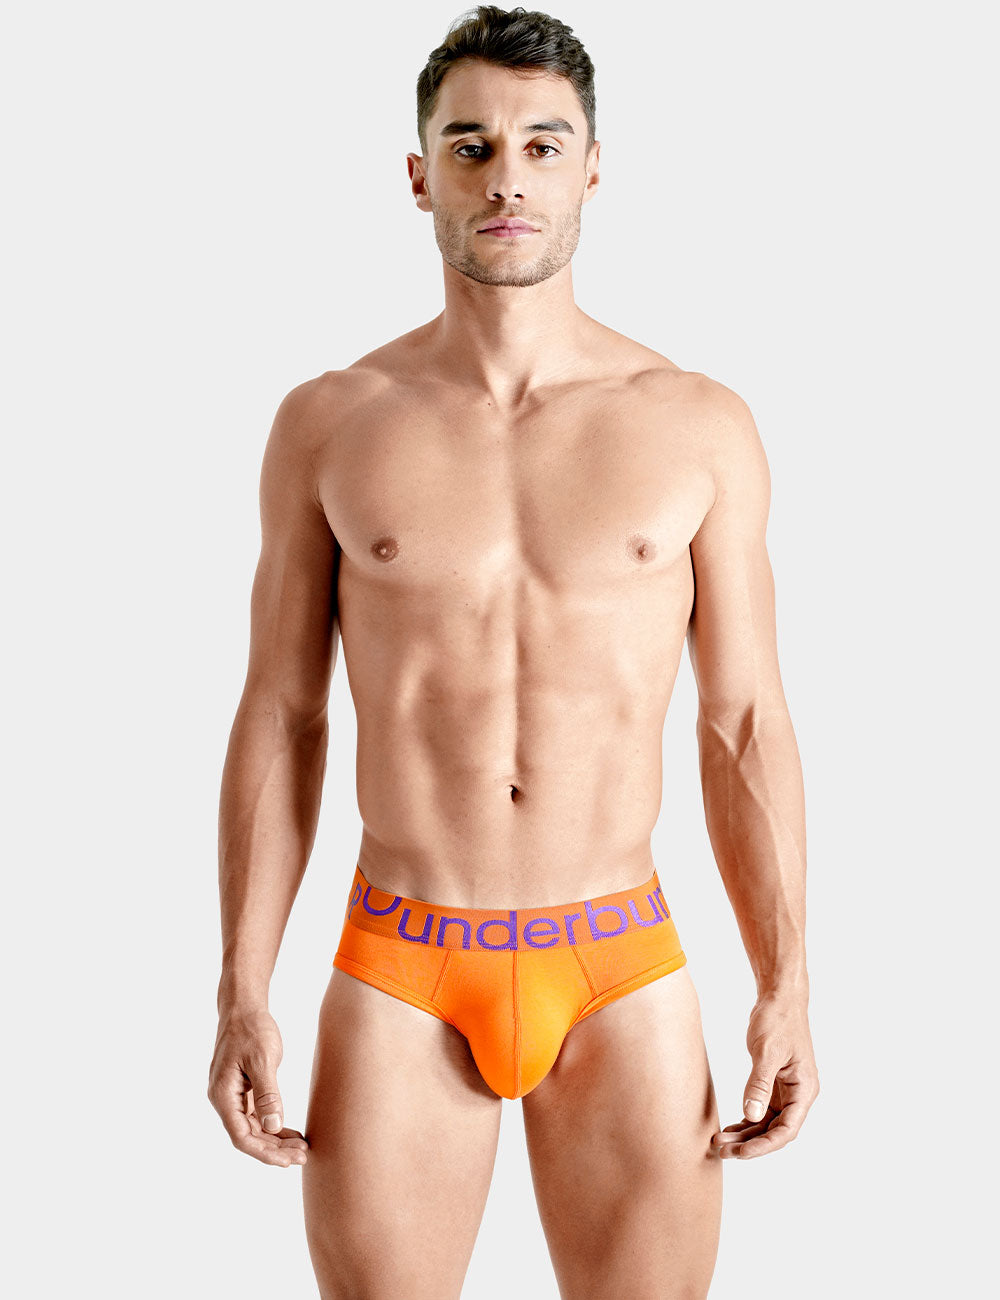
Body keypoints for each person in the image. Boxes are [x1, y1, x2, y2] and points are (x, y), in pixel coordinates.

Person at [207, 6, 820, 1296]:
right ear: (418, 173)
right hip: (402, 962)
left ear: (595, 167)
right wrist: (241, 987)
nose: (507, 178)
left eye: (544, 145)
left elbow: (744, 722)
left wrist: (787, 983)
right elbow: (282, 715)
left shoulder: (696, 423)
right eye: (471, 145)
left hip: (620, 961)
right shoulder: (331, 421)